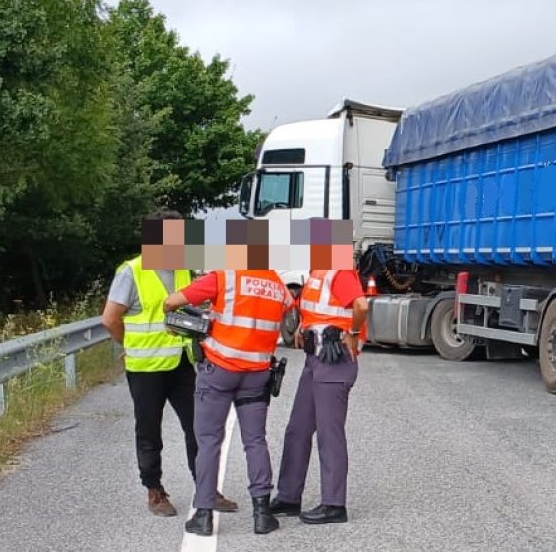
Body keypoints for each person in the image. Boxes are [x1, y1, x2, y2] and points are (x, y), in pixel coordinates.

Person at [100, 208, 238, 517]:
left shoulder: (182, 270)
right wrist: (129, 344)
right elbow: (110, 319)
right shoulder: (132, 271)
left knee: (198, 427)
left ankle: (206, 489)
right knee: (149, 430)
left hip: (181, 363)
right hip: (145, 368)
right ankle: (155, 491)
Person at [164, 264, 294, 536]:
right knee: (255, 441)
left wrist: (198, 315)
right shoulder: (277, 284)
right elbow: (288, 315)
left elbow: (171, 301)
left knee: (209, 442)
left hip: (219, 372)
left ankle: (203, 515)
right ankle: (262, 514)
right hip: (257, 374)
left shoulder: (224, 277)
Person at [268, 268, 369, 525]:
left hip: (334, 360)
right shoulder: (317, 273)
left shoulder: (339, 272)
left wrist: (353, 334)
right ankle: (289, 497)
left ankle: (334, 504)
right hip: (315, 360)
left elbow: (361, 306)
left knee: (329, 434)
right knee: (297, 430)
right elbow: (317, 309)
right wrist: (304, 325)